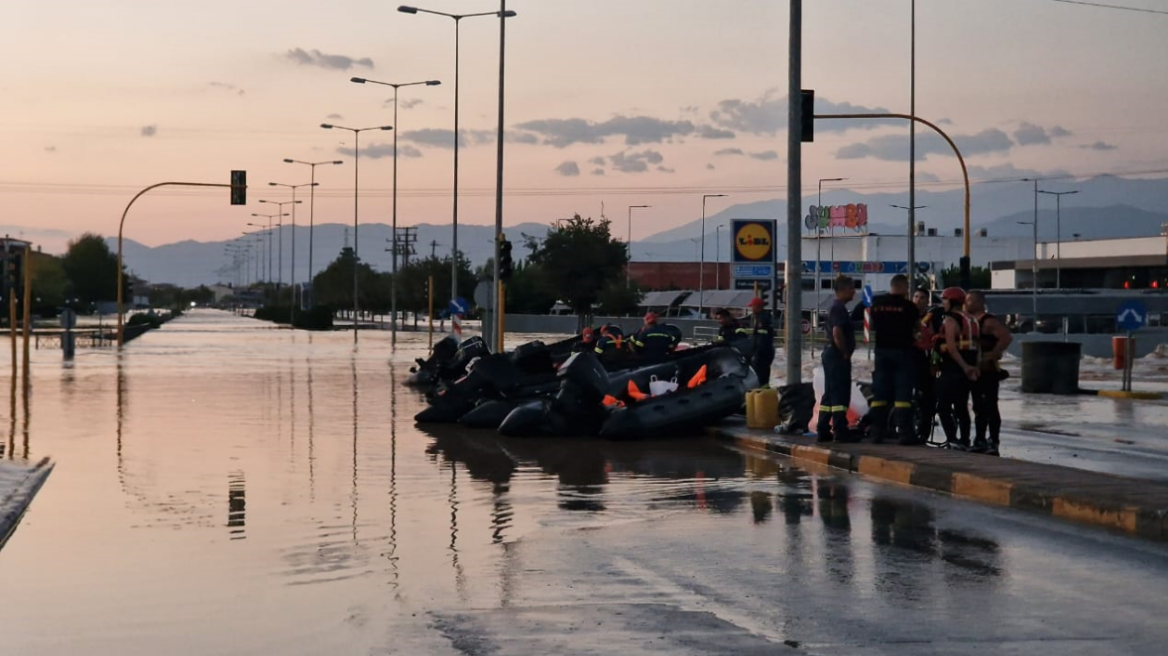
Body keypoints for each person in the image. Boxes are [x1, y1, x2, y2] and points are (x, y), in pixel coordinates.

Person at [867, 274, 920, 444]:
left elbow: (872, 324)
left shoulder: (877, 304)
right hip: (903, 352)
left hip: (881, 352)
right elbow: (917, 328)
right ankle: (905, 433)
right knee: (903, 395)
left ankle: (876, 433)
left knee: (880, 394)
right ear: (904, 287)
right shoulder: (910, 307)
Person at [966, 290, 1012, 456]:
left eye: (970, 300)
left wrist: (993, 354)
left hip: (988, 371)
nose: (967, 303)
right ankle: (979, 439)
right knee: (978, 407)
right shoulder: (969, 321)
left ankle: (993, 441)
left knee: (990, 406)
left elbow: (1006, 337)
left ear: (979, 302)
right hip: (975, 371)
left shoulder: (988, 321)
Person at [935, 287, 980, 450]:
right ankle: (965, 440)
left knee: (943, 407)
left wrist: (965, 366)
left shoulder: (949, 321)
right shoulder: (972, 320)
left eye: (944, 300)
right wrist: (974, 367)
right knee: (962, 406)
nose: (942, 304)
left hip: (952, 370)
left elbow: (952, 349)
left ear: (952, 301)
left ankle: (953, 439)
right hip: (967, 370)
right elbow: (978, 348)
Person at [816, 276, 858, 443]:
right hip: (837, 355)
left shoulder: (836, 307)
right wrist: (845, 352)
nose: (854, 291)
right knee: (840, 393)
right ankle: (840, 430)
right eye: (851, 288)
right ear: (843, 290)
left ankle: (823, 428)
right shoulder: (838, 308)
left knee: (830, 393)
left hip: (831, 354)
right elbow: (837, 333)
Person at [913, 288, 945, 444]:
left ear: (927, 300)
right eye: (916, 296)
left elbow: (938, 340)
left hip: (927, 360)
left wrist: (935, 362)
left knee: (927, 398)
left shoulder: (933, 317)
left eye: (922, 297)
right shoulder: (907, 315)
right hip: (910, 359)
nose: (918, 300)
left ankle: (923, 433)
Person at [746, 297, 776, 386]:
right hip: (765, 353)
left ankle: (762, 394)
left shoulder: (762, 319)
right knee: (763, 376)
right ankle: (763, 392)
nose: (752, 309)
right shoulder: (762, 317)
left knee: (761, 376)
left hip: (762, 353)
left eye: (753, 306)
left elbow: (761, 339)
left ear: (758, 307)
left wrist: (756, 354)